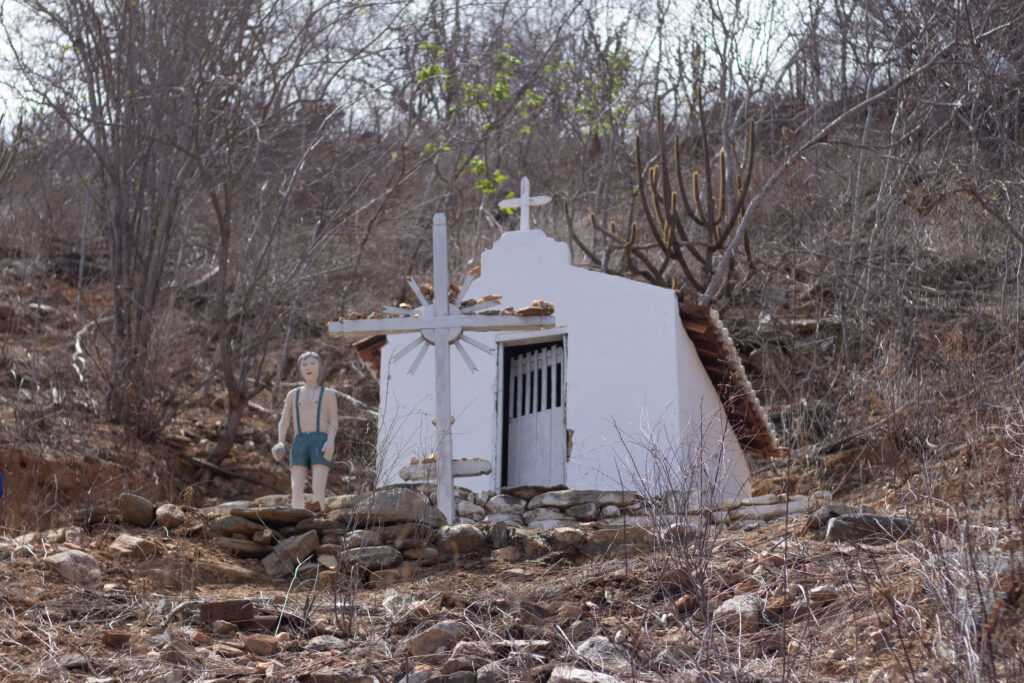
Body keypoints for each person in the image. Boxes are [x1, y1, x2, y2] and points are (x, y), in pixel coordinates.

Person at [272, 351, 338, 511]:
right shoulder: (293, 394)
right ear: (300, 368)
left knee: (318, 485)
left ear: (319, 367)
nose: (308, 367)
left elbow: (334, 421)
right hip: (299, 440)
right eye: (304, 364)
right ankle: (297, 514)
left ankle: (319, 514)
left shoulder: (328, 394)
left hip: (320, 440)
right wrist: (280, 441)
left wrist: (331, 440)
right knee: (296, 485)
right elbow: (284, 420)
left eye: (312, 363)